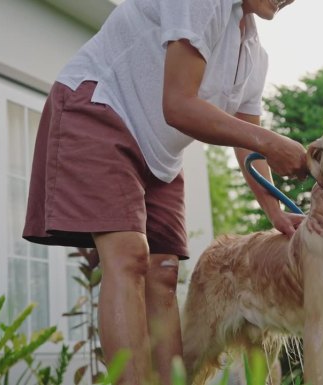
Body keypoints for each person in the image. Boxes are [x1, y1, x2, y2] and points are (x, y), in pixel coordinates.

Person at [22, 0, 307, 384]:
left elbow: (247, 144)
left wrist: (274, 212)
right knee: (128, 257)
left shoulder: (253, 53)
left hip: (160, 153)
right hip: (102, 106)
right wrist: (272, 141)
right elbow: (179, 106)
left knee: (164, 274)